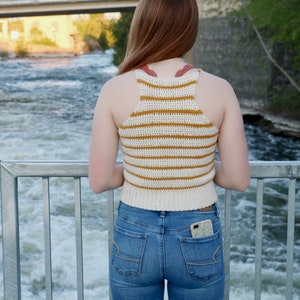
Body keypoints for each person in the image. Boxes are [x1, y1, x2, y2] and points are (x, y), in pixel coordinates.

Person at [89, 0, 250, 299]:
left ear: (142, 25)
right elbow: (238, 179)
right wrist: (196, 167)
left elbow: (100, 181)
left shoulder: (115, 89)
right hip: (197, 229)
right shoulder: (219, 89)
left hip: (134, 230)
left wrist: (143, 168)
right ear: (190, 28)